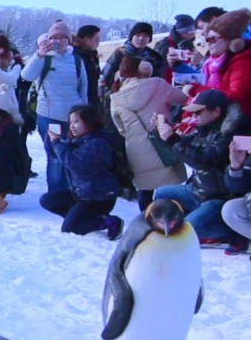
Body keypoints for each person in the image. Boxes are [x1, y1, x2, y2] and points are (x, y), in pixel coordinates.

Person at [154, 89, 245, 245]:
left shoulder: (230, 133)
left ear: (216, 111)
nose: (193, 116)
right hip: (197, 191)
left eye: (198, 112)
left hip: (219, 197)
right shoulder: (203, 128)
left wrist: (172, 140)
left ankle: (229, 233)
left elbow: (203, 159)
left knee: (186, 229)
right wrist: (162, 132)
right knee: (161, 195)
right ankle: (195, 221)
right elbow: (181, 145)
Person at [109, 56, 189, 211]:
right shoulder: (158, 84)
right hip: (163, 141)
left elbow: (120, 127)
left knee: (145, 190)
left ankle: (147, 223)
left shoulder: (116, 97)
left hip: (136, 148)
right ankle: (171, 224)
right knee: (170, 188)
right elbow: (182, 100)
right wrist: (186, 90)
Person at [21, 20, 88, 193]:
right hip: (49, 116)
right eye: (54, 37)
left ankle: (73, 191)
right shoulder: (43, 59)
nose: (58, 40)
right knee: (55, 157)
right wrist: (39, 55)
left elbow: (83, 88)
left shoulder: (77, 61)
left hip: (73, 117)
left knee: (73, 155)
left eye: (62, 37)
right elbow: (26, 76)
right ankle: (56, 194)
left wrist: (84, 113)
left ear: (69, 40)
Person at [40, 104, 124, 239]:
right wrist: (50, 140)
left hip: (98, 198)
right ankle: (82, 218)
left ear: (89, 121)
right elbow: (57, 156)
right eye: (71, 122)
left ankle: (107, 221)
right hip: (81, 193)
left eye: (77, 122)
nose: (72, 126)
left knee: (69, 229)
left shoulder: (97, 142)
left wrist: (56, 142)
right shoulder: (80, 140)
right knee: (47, 200)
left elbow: (73, 162)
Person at [101, 22, 165, 92]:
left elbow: (160, 78)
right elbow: (106, 77)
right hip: (122, 95)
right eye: (138, 35)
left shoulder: (154, 57)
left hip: (148, 94)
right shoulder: (120, 53)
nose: (141, 38)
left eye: (145, 35)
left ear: (149, 39)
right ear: (132, 37)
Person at [73, 25, 102, 105]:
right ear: (86, 39)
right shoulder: (77, 57)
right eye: (96, 39)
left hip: (93, 98)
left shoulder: (91, 55)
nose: (98, 42)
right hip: (83, 102)